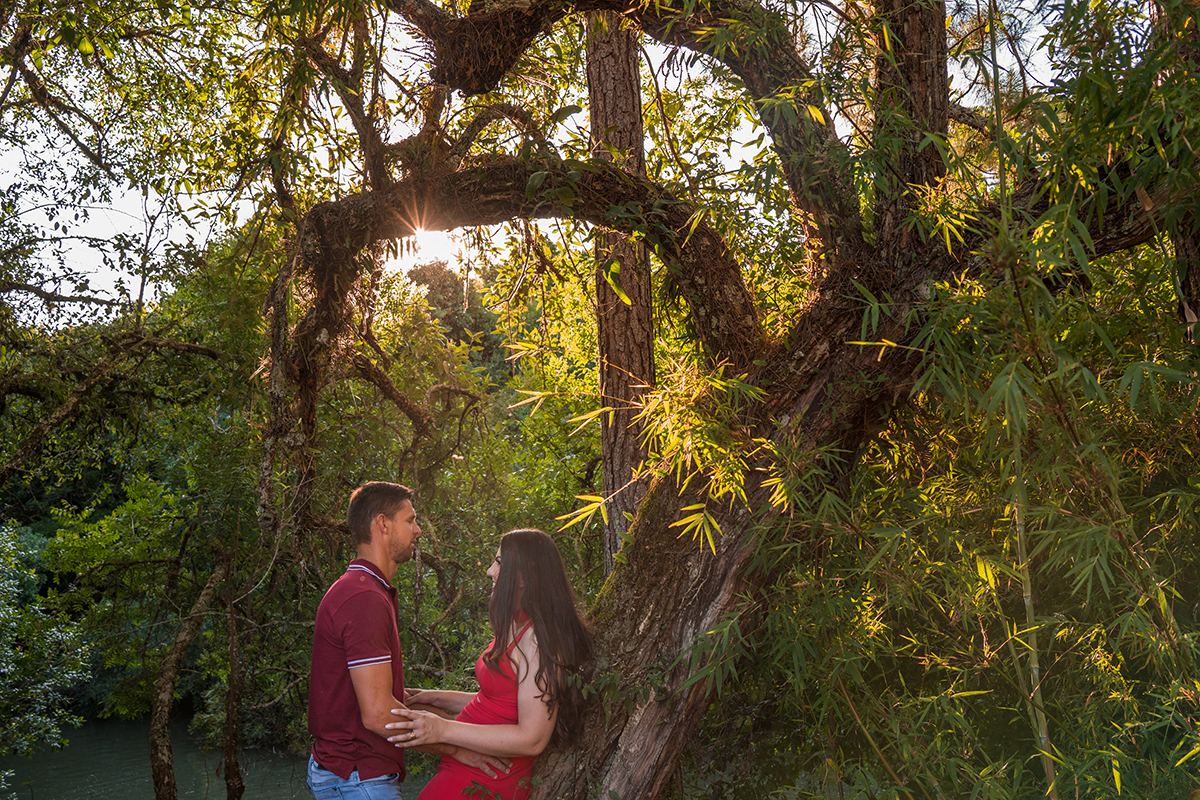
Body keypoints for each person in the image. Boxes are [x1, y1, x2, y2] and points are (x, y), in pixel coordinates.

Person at [307, 481, 509, 800]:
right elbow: (378, 714)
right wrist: (457, 749)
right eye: (410, 520)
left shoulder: (367, 590)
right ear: (383, 524)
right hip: (358, 778)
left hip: (353, 775)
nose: (418, 530)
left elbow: (386, 699)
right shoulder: (363, 599)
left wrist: (474, 725)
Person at [385, 528, 593, 800]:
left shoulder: (539, 641)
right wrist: (435, 698)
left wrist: (442, 728)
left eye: (499, 563)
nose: (490, 571)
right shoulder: (516, 625)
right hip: (467, 765)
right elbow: (500, 702)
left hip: (489, 776)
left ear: (523, 576)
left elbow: (532, 738)